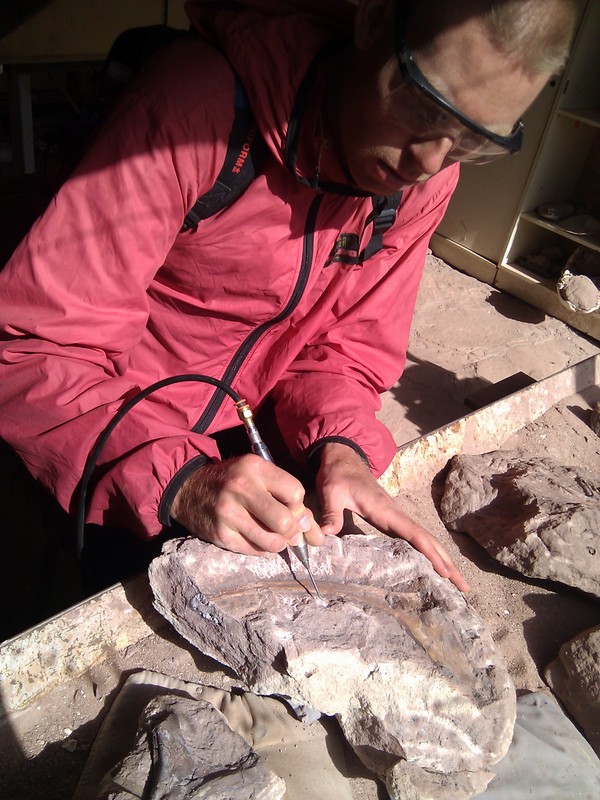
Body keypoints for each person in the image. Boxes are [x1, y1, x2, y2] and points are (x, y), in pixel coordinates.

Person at [0, 0, 577, 594]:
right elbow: (33, 347)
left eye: (470, 142)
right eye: (425, 105)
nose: (428, 161)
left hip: (242, 423)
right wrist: (184, 481)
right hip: (106, 421)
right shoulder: (196, 110)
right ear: (374, 21)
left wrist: (342, 447)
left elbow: (346, 349)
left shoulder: (420, 186)